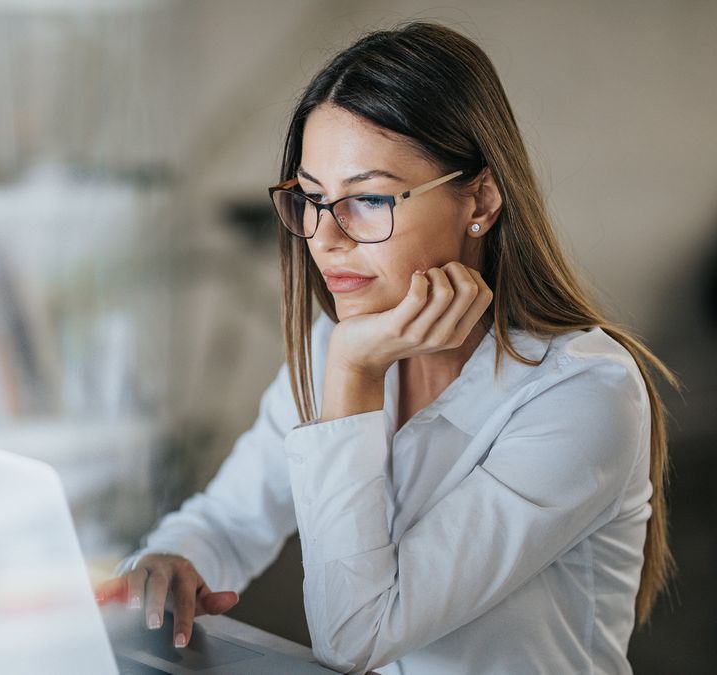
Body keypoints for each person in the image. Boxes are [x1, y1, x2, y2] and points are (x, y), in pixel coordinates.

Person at [94, 21, 680, 674]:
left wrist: (353, 372)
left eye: (369, 198)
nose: (326, 238)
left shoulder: (581, 395)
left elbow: (357, 635)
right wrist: (168, 560)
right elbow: (229, 519)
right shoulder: (336, 345)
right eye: (313, 199)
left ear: (480, 198)